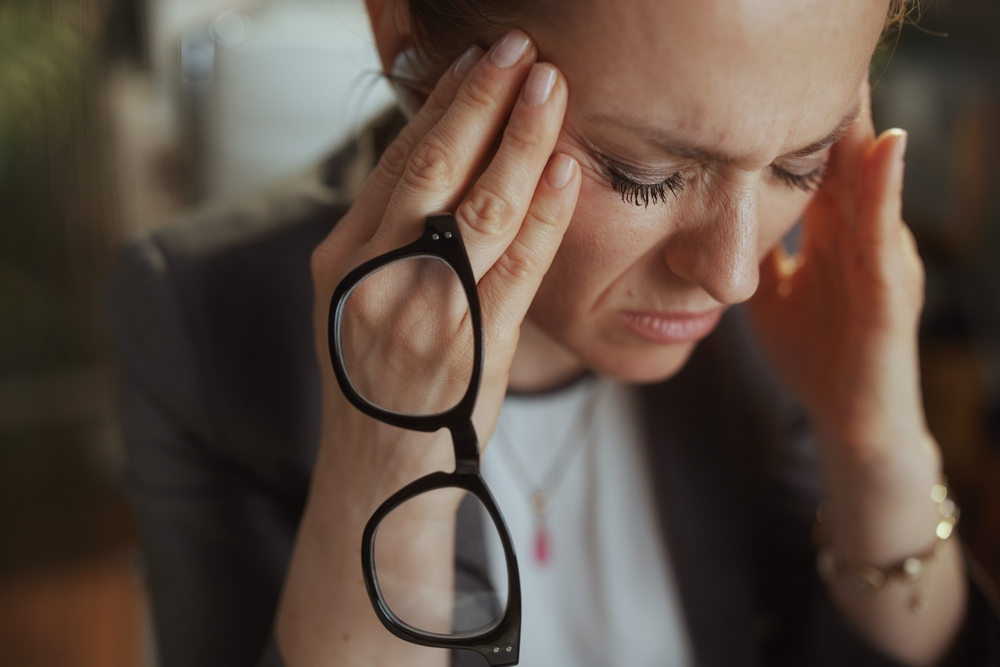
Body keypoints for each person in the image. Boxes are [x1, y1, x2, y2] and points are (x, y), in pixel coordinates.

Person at [107, 0, 1000, 666]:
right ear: (402, 36)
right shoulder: (196, 317)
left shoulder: (806, 281)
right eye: (644, 171)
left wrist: (876, 444)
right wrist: (387, 465)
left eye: (800, 162)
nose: (733, 273)